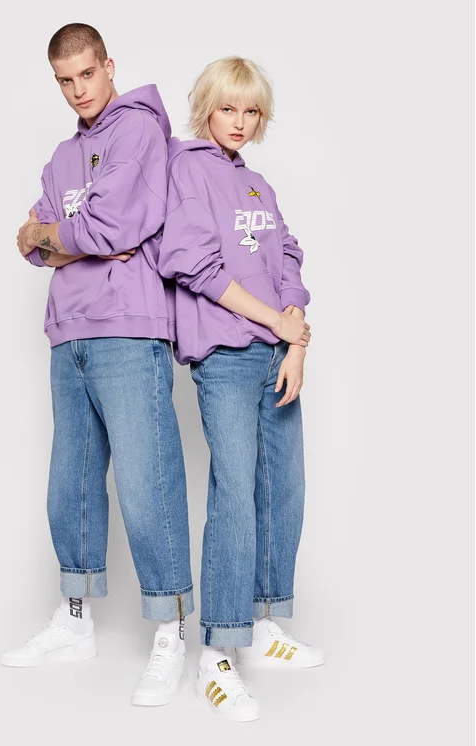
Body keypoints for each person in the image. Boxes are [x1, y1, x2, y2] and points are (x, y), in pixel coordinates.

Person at [3, 23, 193, 708]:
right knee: (72, 483)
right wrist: (61, 239)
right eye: (65, 80)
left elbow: (109, 228)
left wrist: (64, 237)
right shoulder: (62, 156)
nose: (78, 90)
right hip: (69, 333)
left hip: (128, 329)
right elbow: (32, 243)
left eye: (87, 74)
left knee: (147, 482)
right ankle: (76, 617)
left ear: (109, 66)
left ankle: (171, 628)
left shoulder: (137, 130)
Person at [158, 56, 324, 722]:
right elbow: (190, 263)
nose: (240, 121)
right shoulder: (188, 169)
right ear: (206, 108)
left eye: (251, 110)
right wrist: (273, 321)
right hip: (226, 357)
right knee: (234, 497)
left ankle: (262, 622)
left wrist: (296, 340)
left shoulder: (257, 184)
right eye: (228, 108)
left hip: (276, 355)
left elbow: (289, 260)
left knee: (282, 488)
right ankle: (217, 653)